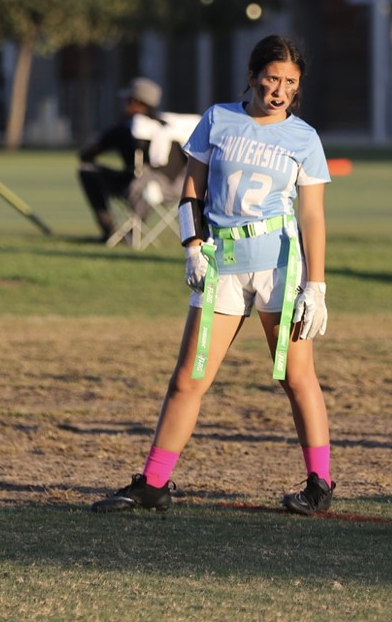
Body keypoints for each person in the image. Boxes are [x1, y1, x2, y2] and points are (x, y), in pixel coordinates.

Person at [91, 35, 335, 516]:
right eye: (271, 78)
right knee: (188, 377)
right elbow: (191, 191)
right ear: (251, 76)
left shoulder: (304, 137)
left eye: (290, 82)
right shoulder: (219, 119)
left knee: (296, 375)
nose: (279, 90)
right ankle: (154, 482)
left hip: (278, 268)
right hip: (222, 262)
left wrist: (317, 285)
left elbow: (312, 217)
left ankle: (320, 483)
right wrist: (191, 246)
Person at [77, 77, 174, 242]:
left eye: (126, 100)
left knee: (87, 171)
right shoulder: (170, 126)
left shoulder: (125, 128)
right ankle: (127, 234)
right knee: (142, 182)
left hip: (138, 187)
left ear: (135, 101)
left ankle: (112, 231)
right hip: (173, 189)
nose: (122, 104)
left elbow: (86, 154)